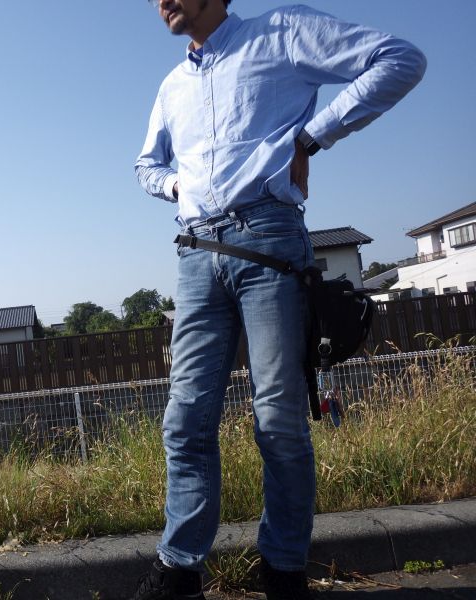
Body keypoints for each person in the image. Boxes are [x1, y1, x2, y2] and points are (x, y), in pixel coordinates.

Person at [132, 1, 425, 599]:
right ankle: (179, 571)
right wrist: (175, 183)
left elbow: (399, 59)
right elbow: (145, 165)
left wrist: (311, 137)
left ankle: (284, 572)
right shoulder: (171, 85)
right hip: (195, 253)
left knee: (279, 420)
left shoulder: (282, 32)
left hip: (269, 239)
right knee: (185, 419)